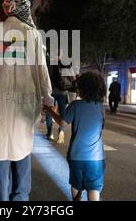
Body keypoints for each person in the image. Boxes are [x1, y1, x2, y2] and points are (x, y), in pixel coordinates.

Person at [0, 0, 54, 201]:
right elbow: (41, 69)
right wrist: (47, 97)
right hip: (24, 104)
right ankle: (20, 198)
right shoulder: (32, 34)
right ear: (23, 7)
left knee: (1, 152)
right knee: (21, 151)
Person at [43, 71, 107, 201]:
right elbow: (101, 127)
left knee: (76, 185)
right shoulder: (101, 108)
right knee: (94, 189)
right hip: (96, 158)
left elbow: (62, 122)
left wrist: (51, 111)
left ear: (82, 89)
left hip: (76, 156)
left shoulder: (75, 105)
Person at [47, 50, 74, 144]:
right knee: (63, 113)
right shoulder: (66, 64)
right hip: (63, 92)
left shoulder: (49, 64)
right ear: (61, 55)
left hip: (51, 92)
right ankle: (61, 133)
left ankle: (50, 133)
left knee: (50, 111)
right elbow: (71, 78)